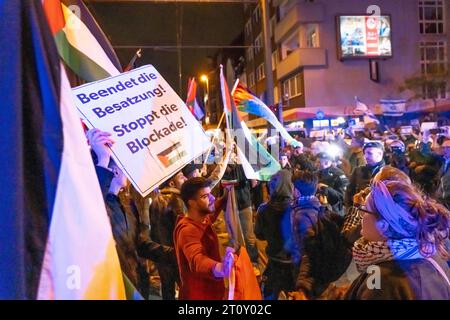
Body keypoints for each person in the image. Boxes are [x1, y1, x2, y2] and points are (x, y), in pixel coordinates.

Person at [88, 129, 176, 297]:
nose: (127, 171)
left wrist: (177, 254)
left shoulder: (127, 205)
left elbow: (141, 244)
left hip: (138, 284)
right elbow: (93, 200)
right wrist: (104, 158)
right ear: (113, 171)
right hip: (114, 288)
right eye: (122, 166)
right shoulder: (98, 207)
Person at [345, 180, 450, 299]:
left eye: (364, 210)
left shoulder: (383, 278)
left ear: (383, 225)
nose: (361, 217)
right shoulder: (428, 252)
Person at [174, 177, 234, 300]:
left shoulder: (202, 218)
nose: (212, 198)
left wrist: (225, 196)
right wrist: (219, 268)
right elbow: (197, 260)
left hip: (212, 292)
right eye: (205, 196)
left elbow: (212, 211)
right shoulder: (187, 230)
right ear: (191, 202)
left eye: (210, 194)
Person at [255, 170, 296, 299]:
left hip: (274, 263)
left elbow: (259, 235)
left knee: (268, 295)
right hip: (295, 265)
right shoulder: (298, 209)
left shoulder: (263, 209)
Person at [149, 171, 187, 299]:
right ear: (172, 183)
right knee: (185, 287)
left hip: (161, 253)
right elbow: (183, 230)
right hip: (175, 253)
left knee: (167, 289)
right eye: (181, 177)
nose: (185, 179)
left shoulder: (155, 201)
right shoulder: (176, 200)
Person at [344, 141, 385, 208]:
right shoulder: (358, 171)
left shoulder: (387, 172)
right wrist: (350, 209)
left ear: (380, 154)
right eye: (365, 153)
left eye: (369, 153)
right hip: (359, 212)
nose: (366, 156)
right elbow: (349, 192)